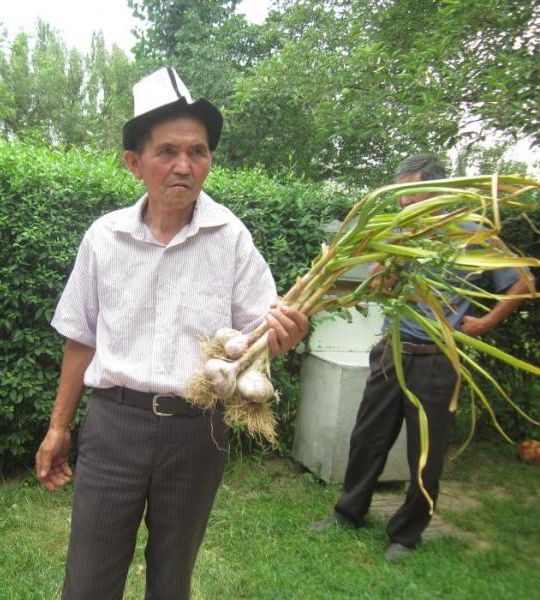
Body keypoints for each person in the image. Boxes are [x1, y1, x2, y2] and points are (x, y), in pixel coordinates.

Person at [35, 66, 309, 599]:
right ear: (134, 163)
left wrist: (283, 334)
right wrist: (58, 427)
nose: (184, 165)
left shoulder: (230, 237)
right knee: (88, 582)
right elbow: (80, 338)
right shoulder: (104, 238)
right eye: (167, 151)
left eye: (198, 151)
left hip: (196, 431)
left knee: (172, 580)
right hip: (114, 425)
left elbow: (259, 332)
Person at [310, 154, 534, 562]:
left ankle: (406, 534)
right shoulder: (401, 233)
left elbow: (523, 281)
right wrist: (391, 259)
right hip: (390, 350)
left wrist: (485, 322)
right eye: (400, 195)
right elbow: (377, 287)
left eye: (411, 193)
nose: (404, 202)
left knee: (425, 453)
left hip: (436, 359)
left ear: (435, 189)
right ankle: (348, 513)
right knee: (367, 437)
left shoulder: (472, 232)